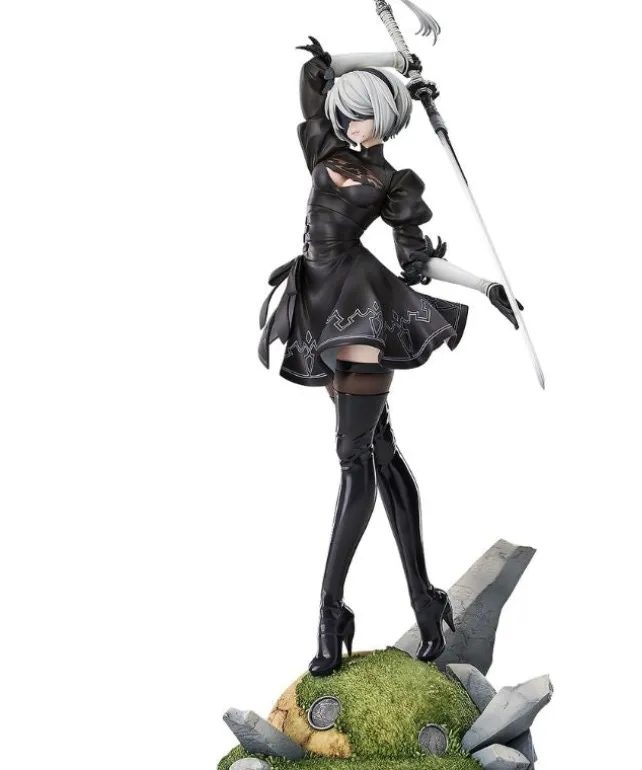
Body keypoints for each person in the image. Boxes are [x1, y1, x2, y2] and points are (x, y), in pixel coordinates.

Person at [258, 37, 522, 676]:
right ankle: (425, 601)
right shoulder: (324, 148)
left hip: (360, 310)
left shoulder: (392, 182)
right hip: (316, 303)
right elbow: (315, 70)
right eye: (348, 111)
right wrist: (392, 61)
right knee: (381, 454)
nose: (353, 122)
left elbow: (416, 262)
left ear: (388, 118)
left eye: (367, 114)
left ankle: (330, 611)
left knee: (354, 463)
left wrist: (486, 286)